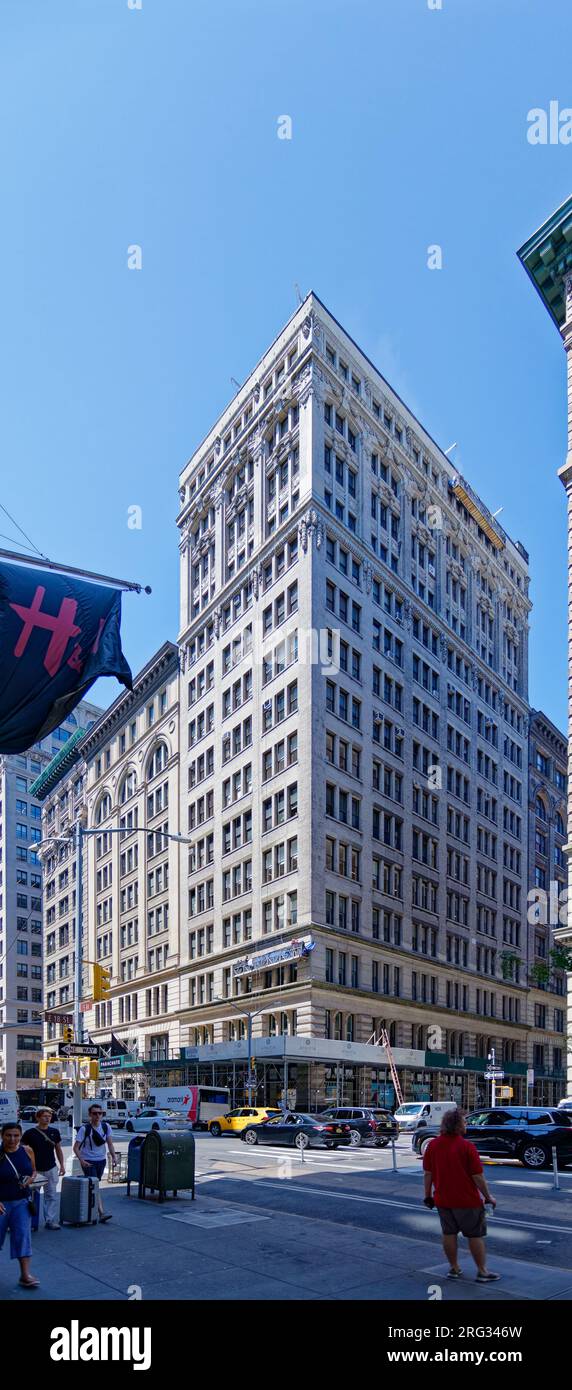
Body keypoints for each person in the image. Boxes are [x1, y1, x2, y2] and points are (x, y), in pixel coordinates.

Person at [422, 1107, 499, 1282]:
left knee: (449, 1234)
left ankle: (454, 1268)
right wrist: (488, 1196)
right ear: (457, 1125)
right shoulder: (467, 1147)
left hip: (442, 1199)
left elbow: (428, 1174)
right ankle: (482, 1271)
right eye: (464, 1122)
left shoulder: (433, 1145)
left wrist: (428, 1195)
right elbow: (477, 1176)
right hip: (467, 1200)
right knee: (474, 1235)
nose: (467, 1124)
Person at [0, 1122, 38, 1289]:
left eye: (16, 1135)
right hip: (1, 1204)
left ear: (20, 1136)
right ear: (2, 1136)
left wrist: (31, 1179)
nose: (12, 1139)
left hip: (22, 1202)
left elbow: (33, 1171)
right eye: (8, 1135)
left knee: (23, 1237)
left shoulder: (27, 1151)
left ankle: (25, 1275)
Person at [22, 1106, 66, 1231]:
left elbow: (58, 1149)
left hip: (51, 1167)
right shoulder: (30, 1133)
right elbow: (22, 1150)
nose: (47, 1118)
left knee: (51, 1195)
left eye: (49, 1116)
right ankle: (31, 1222)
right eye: (44, 1116)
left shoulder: (54, 1132)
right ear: (38, 1118)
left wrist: (62, 1165)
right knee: (32, 1196)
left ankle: (50, 1220)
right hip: (35, 1170)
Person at [73, 1104, 116, 1222]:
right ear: (90, 1115)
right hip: (89, 1161)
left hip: (101, 1160)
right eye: (95, 1113)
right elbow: (76, 1147)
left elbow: (110, 1143)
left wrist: (113, 1157)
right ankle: (101, 1213)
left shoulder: (106, 1127)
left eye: (100, 1113)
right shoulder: (84, 1129)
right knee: (95, 1185)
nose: (97, 1115)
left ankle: (88, 1210)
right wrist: (82, 1160)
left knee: (93, 1186)